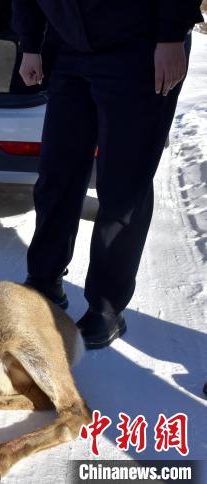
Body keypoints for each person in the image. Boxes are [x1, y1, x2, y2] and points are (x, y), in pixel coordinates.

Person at [12, 0, 203, 348]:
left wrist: (172, 36)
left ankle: (107, 307)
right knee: (57, 175)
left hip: (140, 49)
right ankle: (44, 281)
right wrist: (30, 44)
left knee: (123, 184)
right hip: (67, 47)